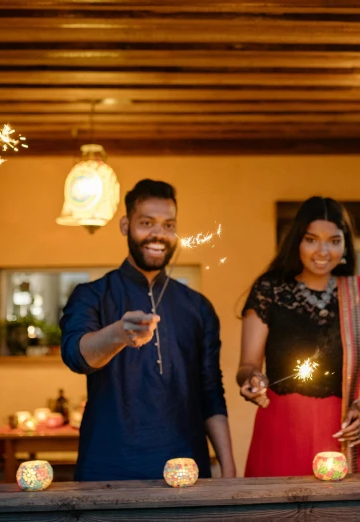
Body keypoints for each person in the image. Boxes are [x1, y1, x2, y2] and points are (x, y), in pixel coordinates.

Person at [61, 179, 235, 481]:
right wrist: (118, 334)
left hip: (186, 469)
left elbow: (211, 392)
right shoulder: (91, 294)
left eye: (169, 225)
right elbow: (76, 355)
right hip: (107, 468)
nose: (158, 234)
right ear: (125, 225)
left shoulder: (198, 307)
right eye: (146, 223)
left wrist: (230, 469)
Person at [237, 196, 360, 477]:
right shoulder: (270, 290)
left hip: (340, 429)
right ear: (298, 242)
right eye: (312, 239)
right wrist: (251, 380)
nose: (323, 250)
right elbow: (247, 364)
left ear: (345, 245)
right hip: (281, 426)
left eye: (333, 240)